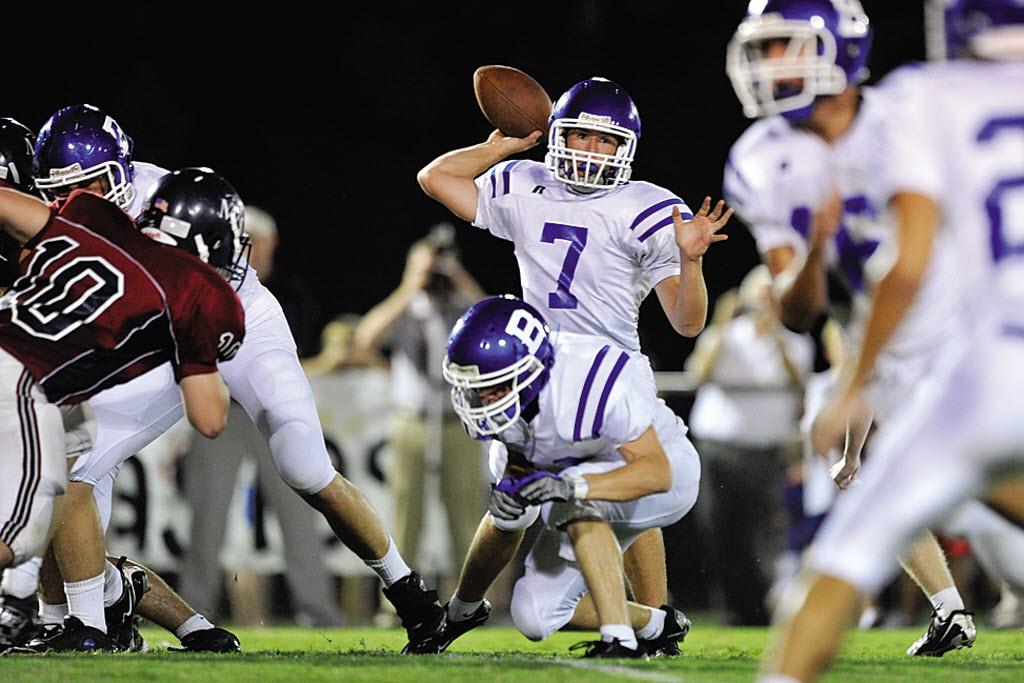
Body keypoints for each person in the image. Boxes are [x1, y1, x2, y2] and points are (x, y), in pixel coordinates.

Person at [28, 119, 440, 654]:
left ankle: (410, 594)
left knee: (305, 466)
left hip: (233, 318)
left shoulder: (168, 200)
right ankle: (89, 622)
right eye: (63, 191)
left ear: (123, 172)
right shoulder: (58, 221)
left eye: (94, 185)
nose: (81, 200)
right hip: (154, 332)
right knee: (70, 467)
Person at [722, 0, 1017, 655]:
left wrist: (855, 381)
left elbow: (906, 264)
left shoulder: (908, 112)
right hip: (896, 363)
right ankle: (947, 609)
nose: (772, 64)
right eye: (765, 49)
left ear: (839, 49)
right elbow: (797, 311)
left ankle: (947, 607)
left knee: (997, 529)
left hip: (962, 350)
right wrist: (813, 255)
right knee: (861, 512)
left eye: (787, 46)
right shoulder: (759, 160)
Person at [417, 75, 731, 650]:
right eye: (579, 136)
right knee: (510, 492)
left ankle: (653, 618)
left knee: (617, 485)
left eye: (603, 142)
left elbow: (688, 323)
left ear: (626, 149)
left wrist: (692, 264)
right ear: (556, 135)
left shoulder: (651, 207)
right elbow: (436, 178)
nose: (589, 151)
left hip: (611, 368)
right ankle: (463, 609)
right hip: (533, 367)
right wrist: (500, 147)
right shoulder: (523, 180)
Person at [0, 174, 244, 651]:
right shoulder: (198, 290)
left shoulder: (94, 216)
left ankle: (87, 618)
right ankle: (50, 613)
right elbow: (211, 420)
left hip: (28, 379)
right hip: (25, 386)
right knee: (33, 525)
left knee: (58, 494)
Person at [442, 296, 698, 657]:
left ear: (529, 369)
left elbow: (657, 473)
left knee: (571, 502)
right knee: (532, 613)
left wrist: (571, 486)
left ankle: (619, 639)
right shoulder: (509, 420)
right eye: (474, 389)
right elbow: (519, 482)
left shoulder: (589, 376)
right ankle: (657, 625)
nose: (482, 400)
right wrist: (512, 494)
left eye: (493, 386)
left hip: (669, 471)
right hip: (590, 489)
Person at [353, 225, 487, 607]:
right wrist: (410, 284)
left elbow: (494, 320)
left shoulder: (462, 308)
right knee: (405, 515)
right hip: (410, 420)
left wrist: (459, 278)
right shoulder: (408, 307)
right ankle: (401, 604)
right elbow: (365, 338)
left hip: (458, 421)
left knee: (466, 516)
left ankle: (470, 603)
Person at [686, 265, 813, 624]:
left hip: (765, 451)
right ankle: (730, 609)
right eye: (761, 296)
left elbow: (797, 379)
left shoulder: (794, 340)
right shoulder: (728, 335)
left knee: (763, 535)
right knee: (719, 531)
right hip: (719, 448)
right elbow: (699, 372)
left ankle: (760, 610)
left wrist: (775, 335)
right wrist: (721, 326)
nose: (765, 304)